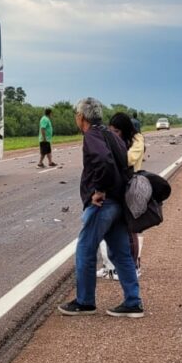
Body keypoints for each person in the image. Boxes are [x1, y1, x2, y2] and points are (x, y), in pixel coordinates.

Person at [58, 97, 143, 318]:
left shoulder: (92, 136)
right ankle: (133, 302)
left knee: (85, 250)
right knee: (121, 253)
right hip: (118, 203)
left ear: (81, 117)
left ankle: (85, 302)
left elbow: (103, 161)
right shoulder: (109, 134)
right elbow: (123, 161)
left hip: (103, 204)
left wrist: (99, 189)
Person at [98, 112, 145, 279]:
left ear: (125, 130)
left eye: (117, 131)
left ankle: (134, 267)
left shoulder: (137, 140)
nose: (114, 135)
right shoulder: (116, 141)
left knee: (129, 230)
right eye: (111, 131)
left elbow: (129, 160)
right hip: (116, 188)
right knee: (110, 230)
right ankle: (109, 266)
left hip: (131, 188)